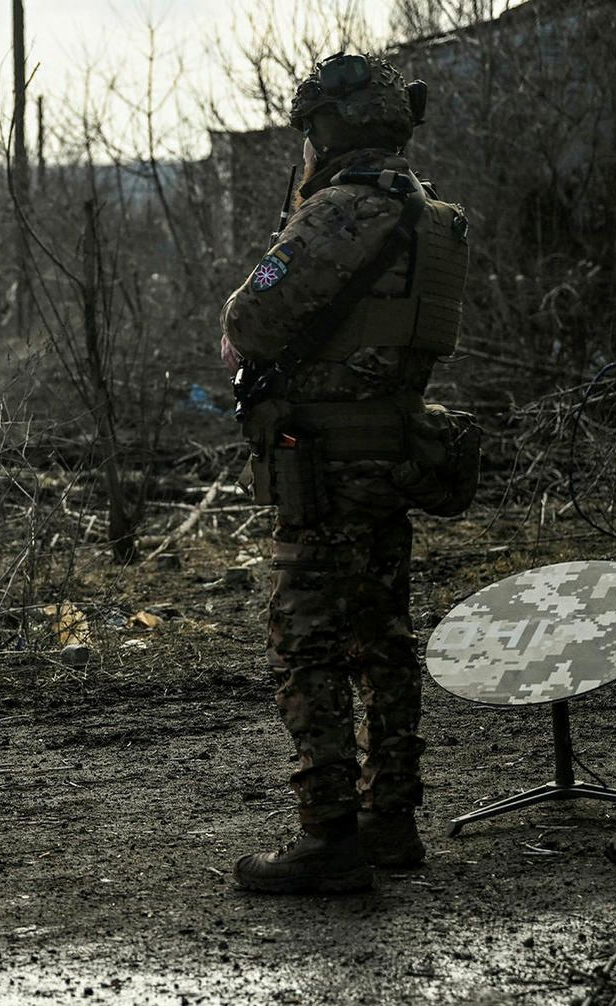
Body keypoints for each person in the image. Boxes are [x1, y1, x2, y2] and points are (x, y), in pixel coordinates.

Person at [219, 53, 472, 893]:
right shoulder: (432, 217)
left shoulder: (335, 213)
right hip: (392, 452)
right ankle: (392, 817)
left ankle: (329, 834)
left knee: (307, 645)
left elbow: (249, 320)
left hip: (322, 465)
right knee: (384, 637)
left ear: (329, 131)